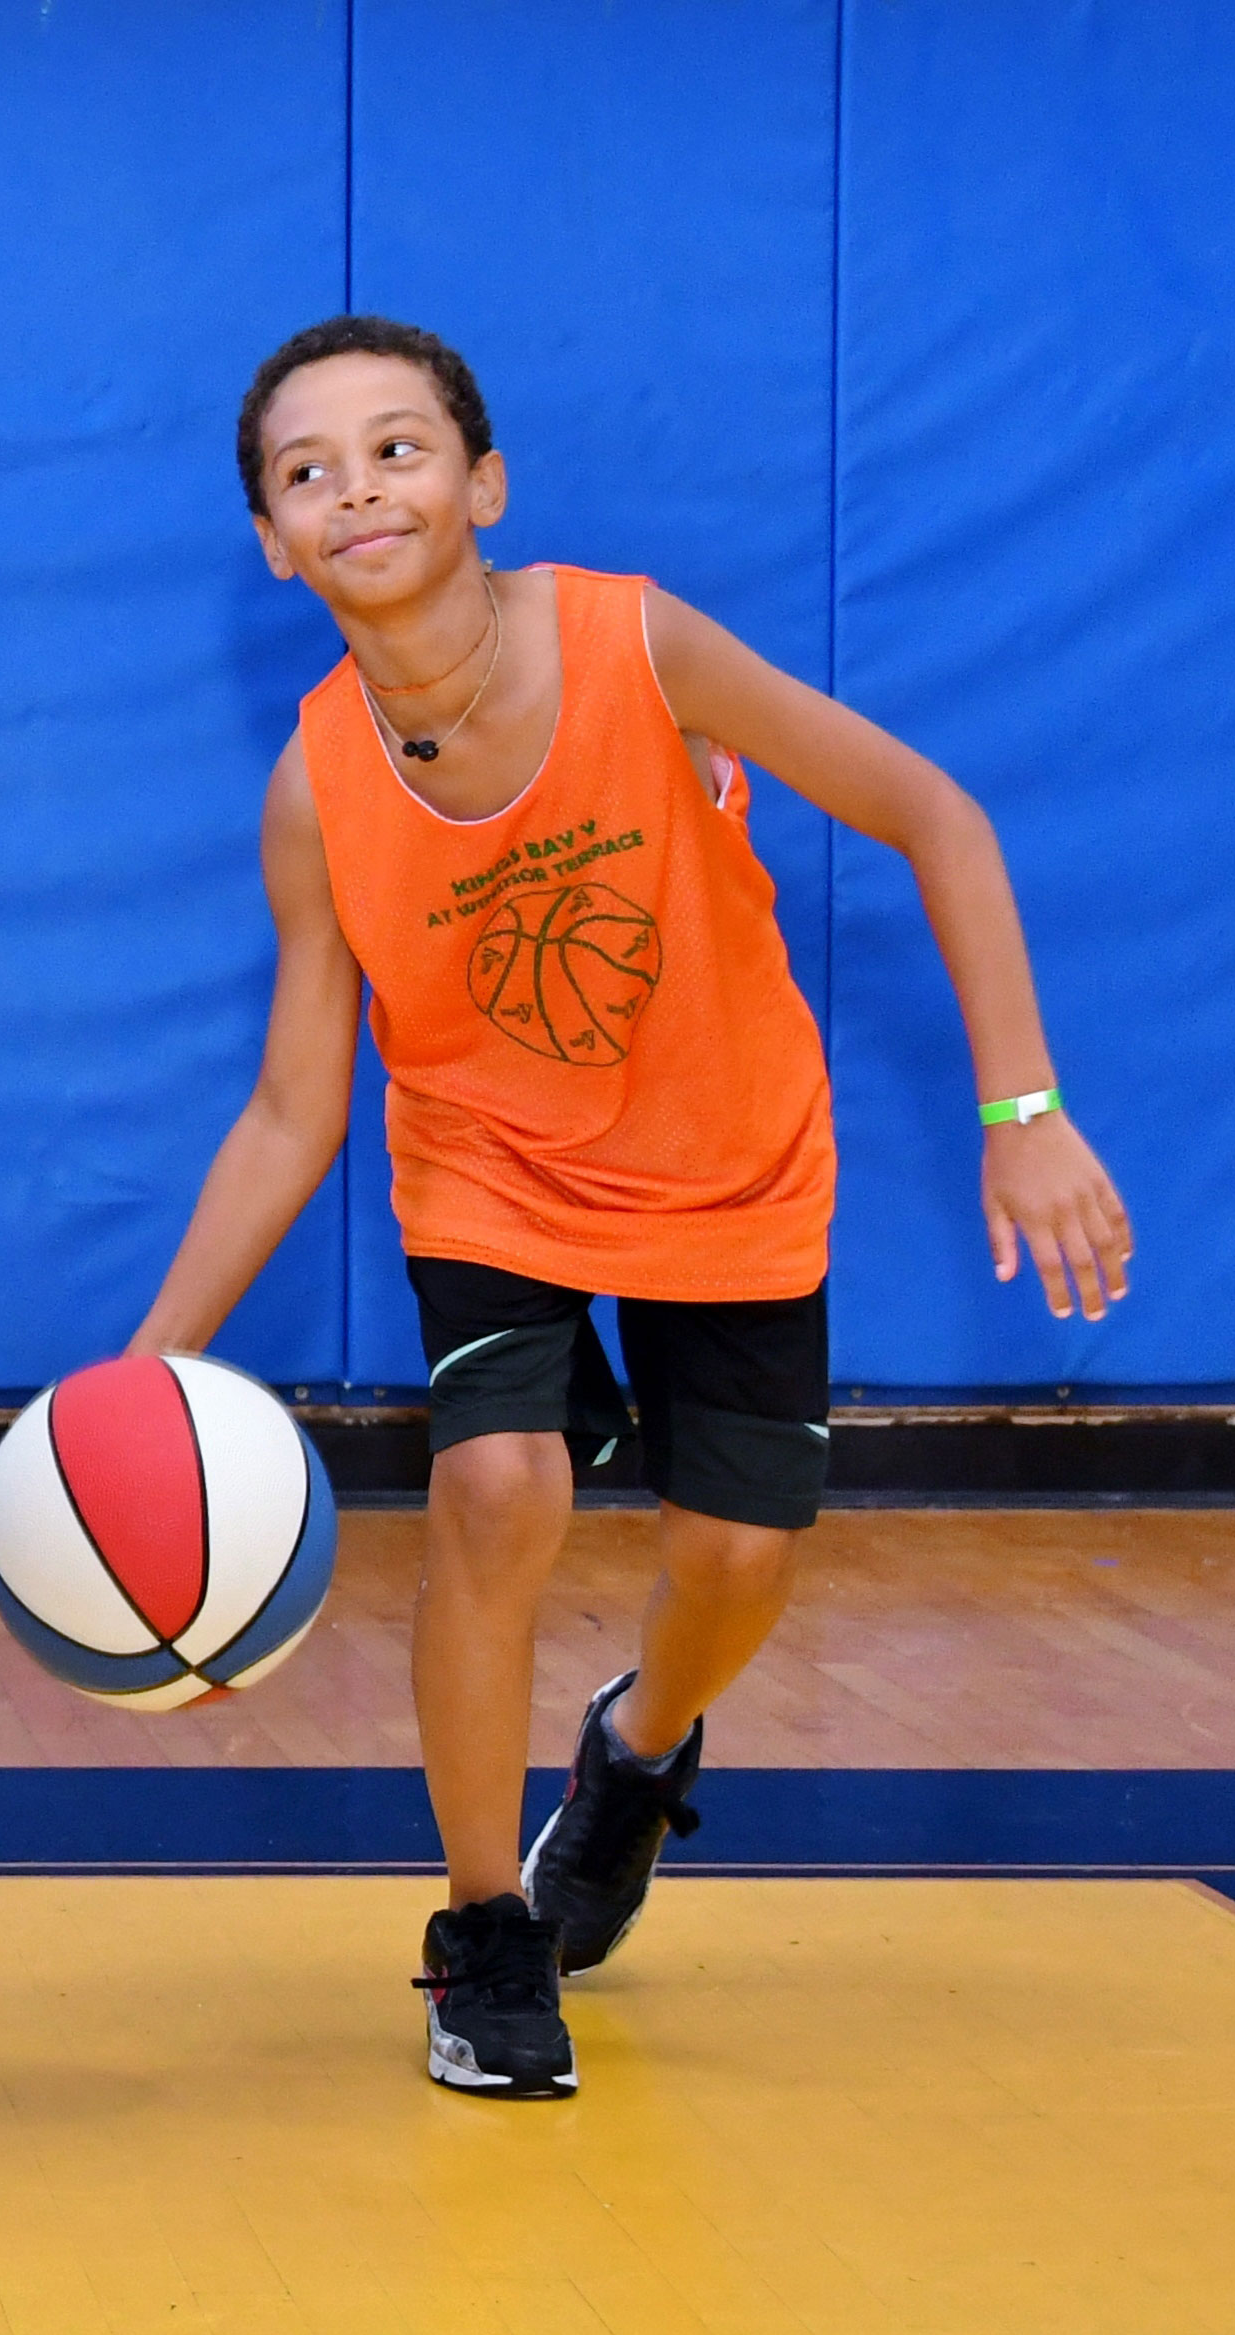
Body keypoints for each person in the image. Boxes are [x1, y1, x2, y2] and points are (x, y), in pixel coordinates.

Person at [130, 316, 1133, 2098]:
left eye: (396, 446)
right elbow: (294, 1105)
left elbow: (935, 814)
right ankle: (481, 1932)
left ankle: (635, 1752)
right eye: (306, 472)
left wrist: (1025, 1109)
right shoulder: (312, 789)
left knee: (734, 1559)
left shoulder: (632, 638)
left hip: (729, 1155)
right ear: (272, 545)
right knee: (494, 1485)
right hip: (487, 1166)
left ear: (480, 482)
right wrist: (152, 1360)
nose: (356, 486)